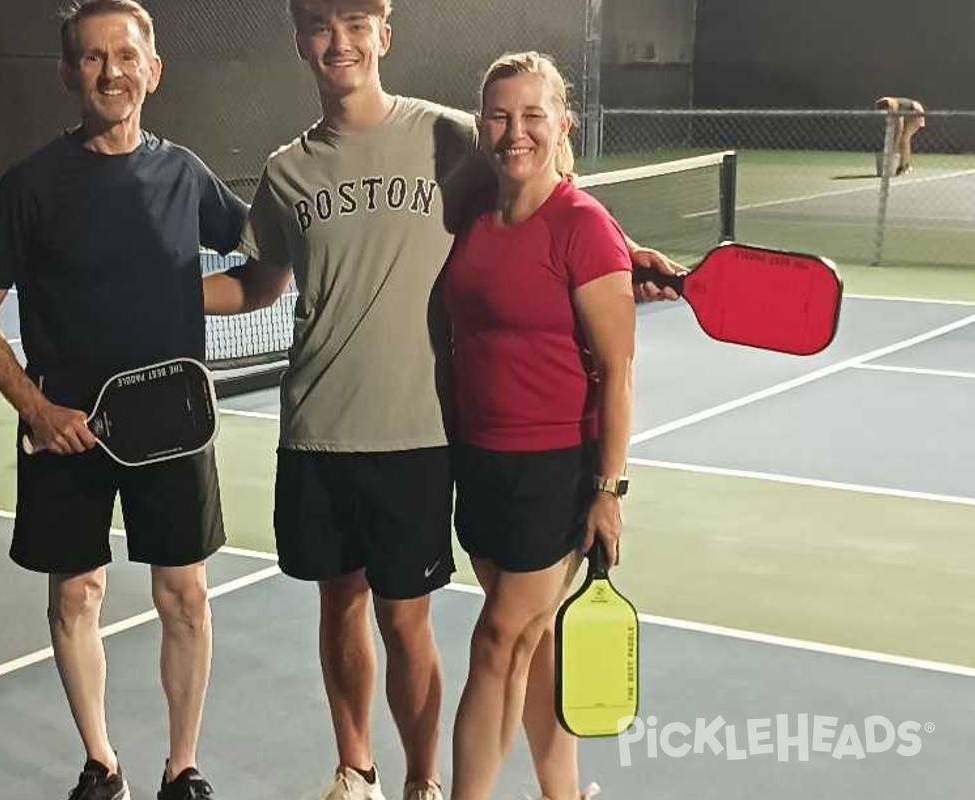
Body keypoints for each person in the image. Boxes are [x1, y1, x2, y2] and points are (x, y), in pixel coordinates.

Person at [202, 3, 674, 799]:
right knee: (366, 611)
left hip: (432, 433)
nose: (340, 42)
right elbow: (260, 281)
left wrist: (615, 250)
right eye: (322, 25)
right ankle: (362, 772)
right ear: (301, 43)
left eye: (358, 23)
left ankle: (436, 786)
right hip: (338, 429)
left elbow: (547, 183)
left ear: (384, 36)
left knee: (453, 628)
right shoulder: (288, 170)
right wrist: (162, 300)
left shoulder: (451, 136)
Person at [0, 2, 244, 798]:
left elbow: (264, 270)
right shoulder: (30, 184)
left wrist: (187, 296)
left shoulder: (185, 174)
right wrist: (37, 412)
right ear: (67, 74)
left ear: (154, 69)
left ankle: (182, 768)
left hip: (172, 426)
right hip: (65, 432)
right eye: (92, 59)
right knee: (76, 593)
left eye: (125, 56)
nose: (111, 72)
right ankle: (101, 762)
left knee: (183, 594)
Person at [445, 51, 633, 800]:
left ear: (562, 123)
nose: (514, 130)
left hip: (555, 468)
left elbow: (618, 371)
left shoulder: (584, 226)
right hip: (479, 460)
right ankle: (564, 794)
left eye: (532, 114)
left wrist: (608, 489)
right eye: (499, 114)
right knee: (533, 638)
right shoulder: (472, 217)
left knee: (496, 642)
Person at [875, 96, 926, 176]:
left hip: (916, 112)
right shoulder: (887, 106)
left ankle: (904, 166)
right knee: (902, 139)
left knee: (904, 139)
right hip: (908, 114)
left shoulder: (896, 107)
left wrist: (894, 147)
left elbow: (899, 129)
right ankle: (905, 164)